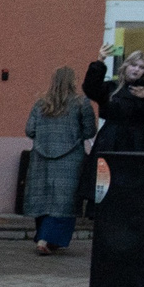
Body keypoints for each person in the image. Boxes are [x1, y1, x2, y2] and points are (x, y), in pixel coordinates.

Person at [22, 67, 96, 255]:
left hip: (41, 157)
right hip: (71, 159)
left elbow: (30, 130)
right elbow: (90, 131)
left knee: (44, 199)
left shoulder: (40, 103)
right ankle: (47, 239)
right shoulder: (82, 103)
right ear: (73, 81)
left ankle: (43, 237)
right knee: (64, 202)